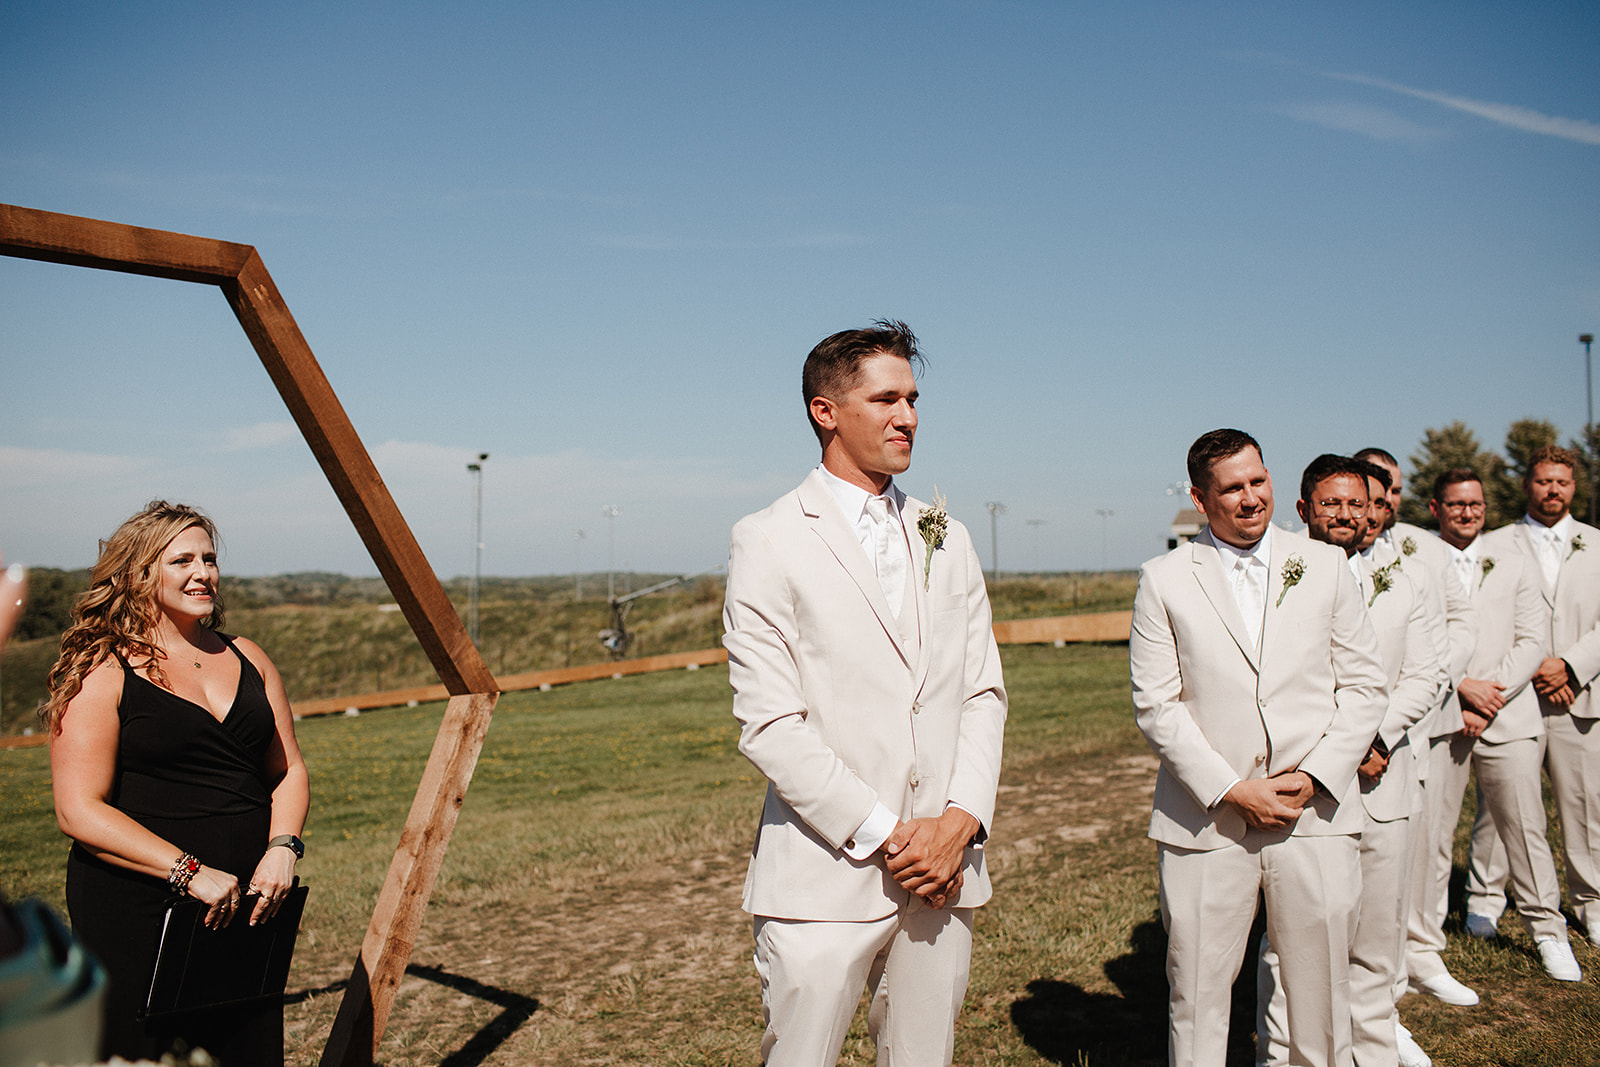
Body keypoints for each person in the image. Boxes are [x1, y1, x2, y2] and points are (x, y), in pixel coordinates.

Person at [723, 320, 1007, 1066]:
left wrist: (958, 822)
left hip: (944, 874)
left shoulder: (949, 534)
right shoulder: (769, 538)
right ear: (826, 411)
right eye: (886, 399)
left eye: (913, 398)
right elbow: (770, 725)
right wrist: (889, 833)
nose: (908, 416)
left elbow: (982, 691)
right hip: (824, 874)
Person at [1129, 430, 1387, 1067]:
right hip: (1209, 819)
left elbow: (1363, 686)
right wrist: (1231, 788)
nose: (1251, 499)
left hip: (1315, 815)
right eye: (1232, 488)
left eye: (1259, 481)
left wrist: (1319, 775)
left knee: (1321, 997)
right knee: (1197, 993)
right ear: (1199, 497)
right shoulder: (1163, 579)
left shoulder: (1325, 565)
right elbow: (1156, 705)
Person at [43, 501, 309, 1065]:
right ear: (139, 573)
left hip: (246, 901)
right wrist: (187, 872)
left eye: (209, 559)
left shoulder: (248, 656)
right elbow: (78, 811)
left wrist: (283, 849)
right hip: (139, 906)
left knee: (247, 1049)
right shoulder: (104, 668)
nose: (203, 573)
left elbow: (287, 771)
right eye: (181, 560)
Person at [1409, 468, 1580, 987]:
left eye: (1476, 505)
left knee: (1526, 830)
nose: (1468, 513)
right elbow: (1418, 636)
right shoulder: (1418, 560)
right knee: (1432, 837)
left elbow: (1532, 639)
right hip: (1443, 715)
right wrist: (1460, 687)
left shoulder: (1513, 561)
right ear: (1437, 509)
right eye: (1457, 505)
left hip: (1508, 713)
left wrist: (1489, 693)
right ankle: (1423, 945)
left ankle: (1548, 931)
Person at [1467, 445, 1600, 954]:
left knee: (1583, 806)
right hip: (1514, 696)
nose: (1553, 491)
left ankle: (1589, 902)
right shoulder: (1494, 544)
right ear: (1527, 486)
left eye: (1562, 482)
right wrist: (1531, 670)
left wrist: (1569, 666)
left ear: (1574, 486)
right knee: (1499, 806)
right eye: (1544, 481)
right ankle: (1485, 898)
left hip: (1576, 694)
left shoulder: (1595, 543)